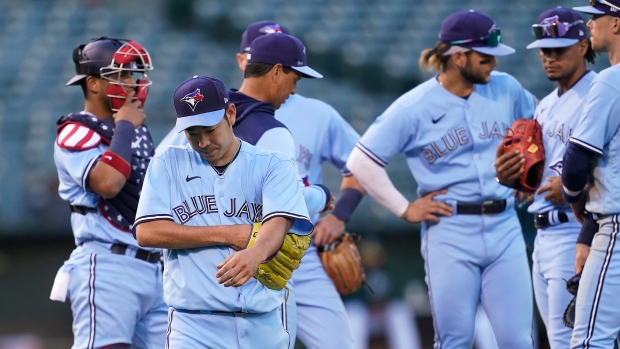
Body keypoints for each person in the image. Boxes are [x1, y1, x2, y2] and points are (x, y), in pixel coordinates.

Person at [346, 10, 537, 348]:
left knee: (517, 339)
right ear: (458, 55)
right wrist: (405, 209)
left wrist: (530, 177)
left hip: (505, 223)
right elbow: (361, 160)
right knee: (455, 339)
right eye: (485, 56)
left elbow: (541, 128)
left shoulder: (507, 88)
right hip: (450, 230)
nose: (493, 63)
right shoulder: (414, 106)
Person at [156, 31, 351, 348]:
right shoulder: (271, 132)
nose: (294, 89)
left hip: (194, 275)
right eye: (294, 77)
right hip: (254, 267)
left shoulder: (199, 121)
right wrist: (320, 196)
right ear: (276, 71)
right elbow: (285, 205)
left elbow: (159, 175)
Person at [134, 75, 313, 348]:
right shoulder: (167, 163)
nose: (203, 142)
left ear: (231, 114)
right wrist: (229, 233)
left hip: (262, 324)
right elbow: (147, 232)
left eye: (209, 129)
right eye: (193, 133)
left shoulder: (273, 164)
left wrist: (257, 251)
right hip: (193, 327)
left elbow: (278, 222)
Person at [49, 37, 168, 348]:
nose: (131, 84)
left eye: (132, 75)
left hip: (155, 267)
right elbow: (108, 183)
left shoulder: (137, 128)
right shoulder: (76, 130)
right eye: (121, 76)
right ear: (93, 83)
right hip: (108, 264)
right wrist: (125, 126)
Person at [495, 7, 596, 348]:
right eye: (545, 51)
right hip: (543, 234)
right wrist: (514, 178)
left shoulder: (600, 93)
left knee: (577, 339)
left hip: (578, 228)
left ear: (583, 47)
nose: (550, 58)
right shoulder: (546, 105)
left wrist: (577, 185)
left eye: (560, 49)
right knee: (559, 339)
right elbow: (537, 173)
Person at [562, 0, 620, 347]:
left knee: (590, 341)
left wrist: (574, 199)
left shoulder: (611, 80)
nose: (589, 25)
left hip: (616, 228)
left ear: (617, 23)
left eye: (595, 17)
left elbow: (576, 160)